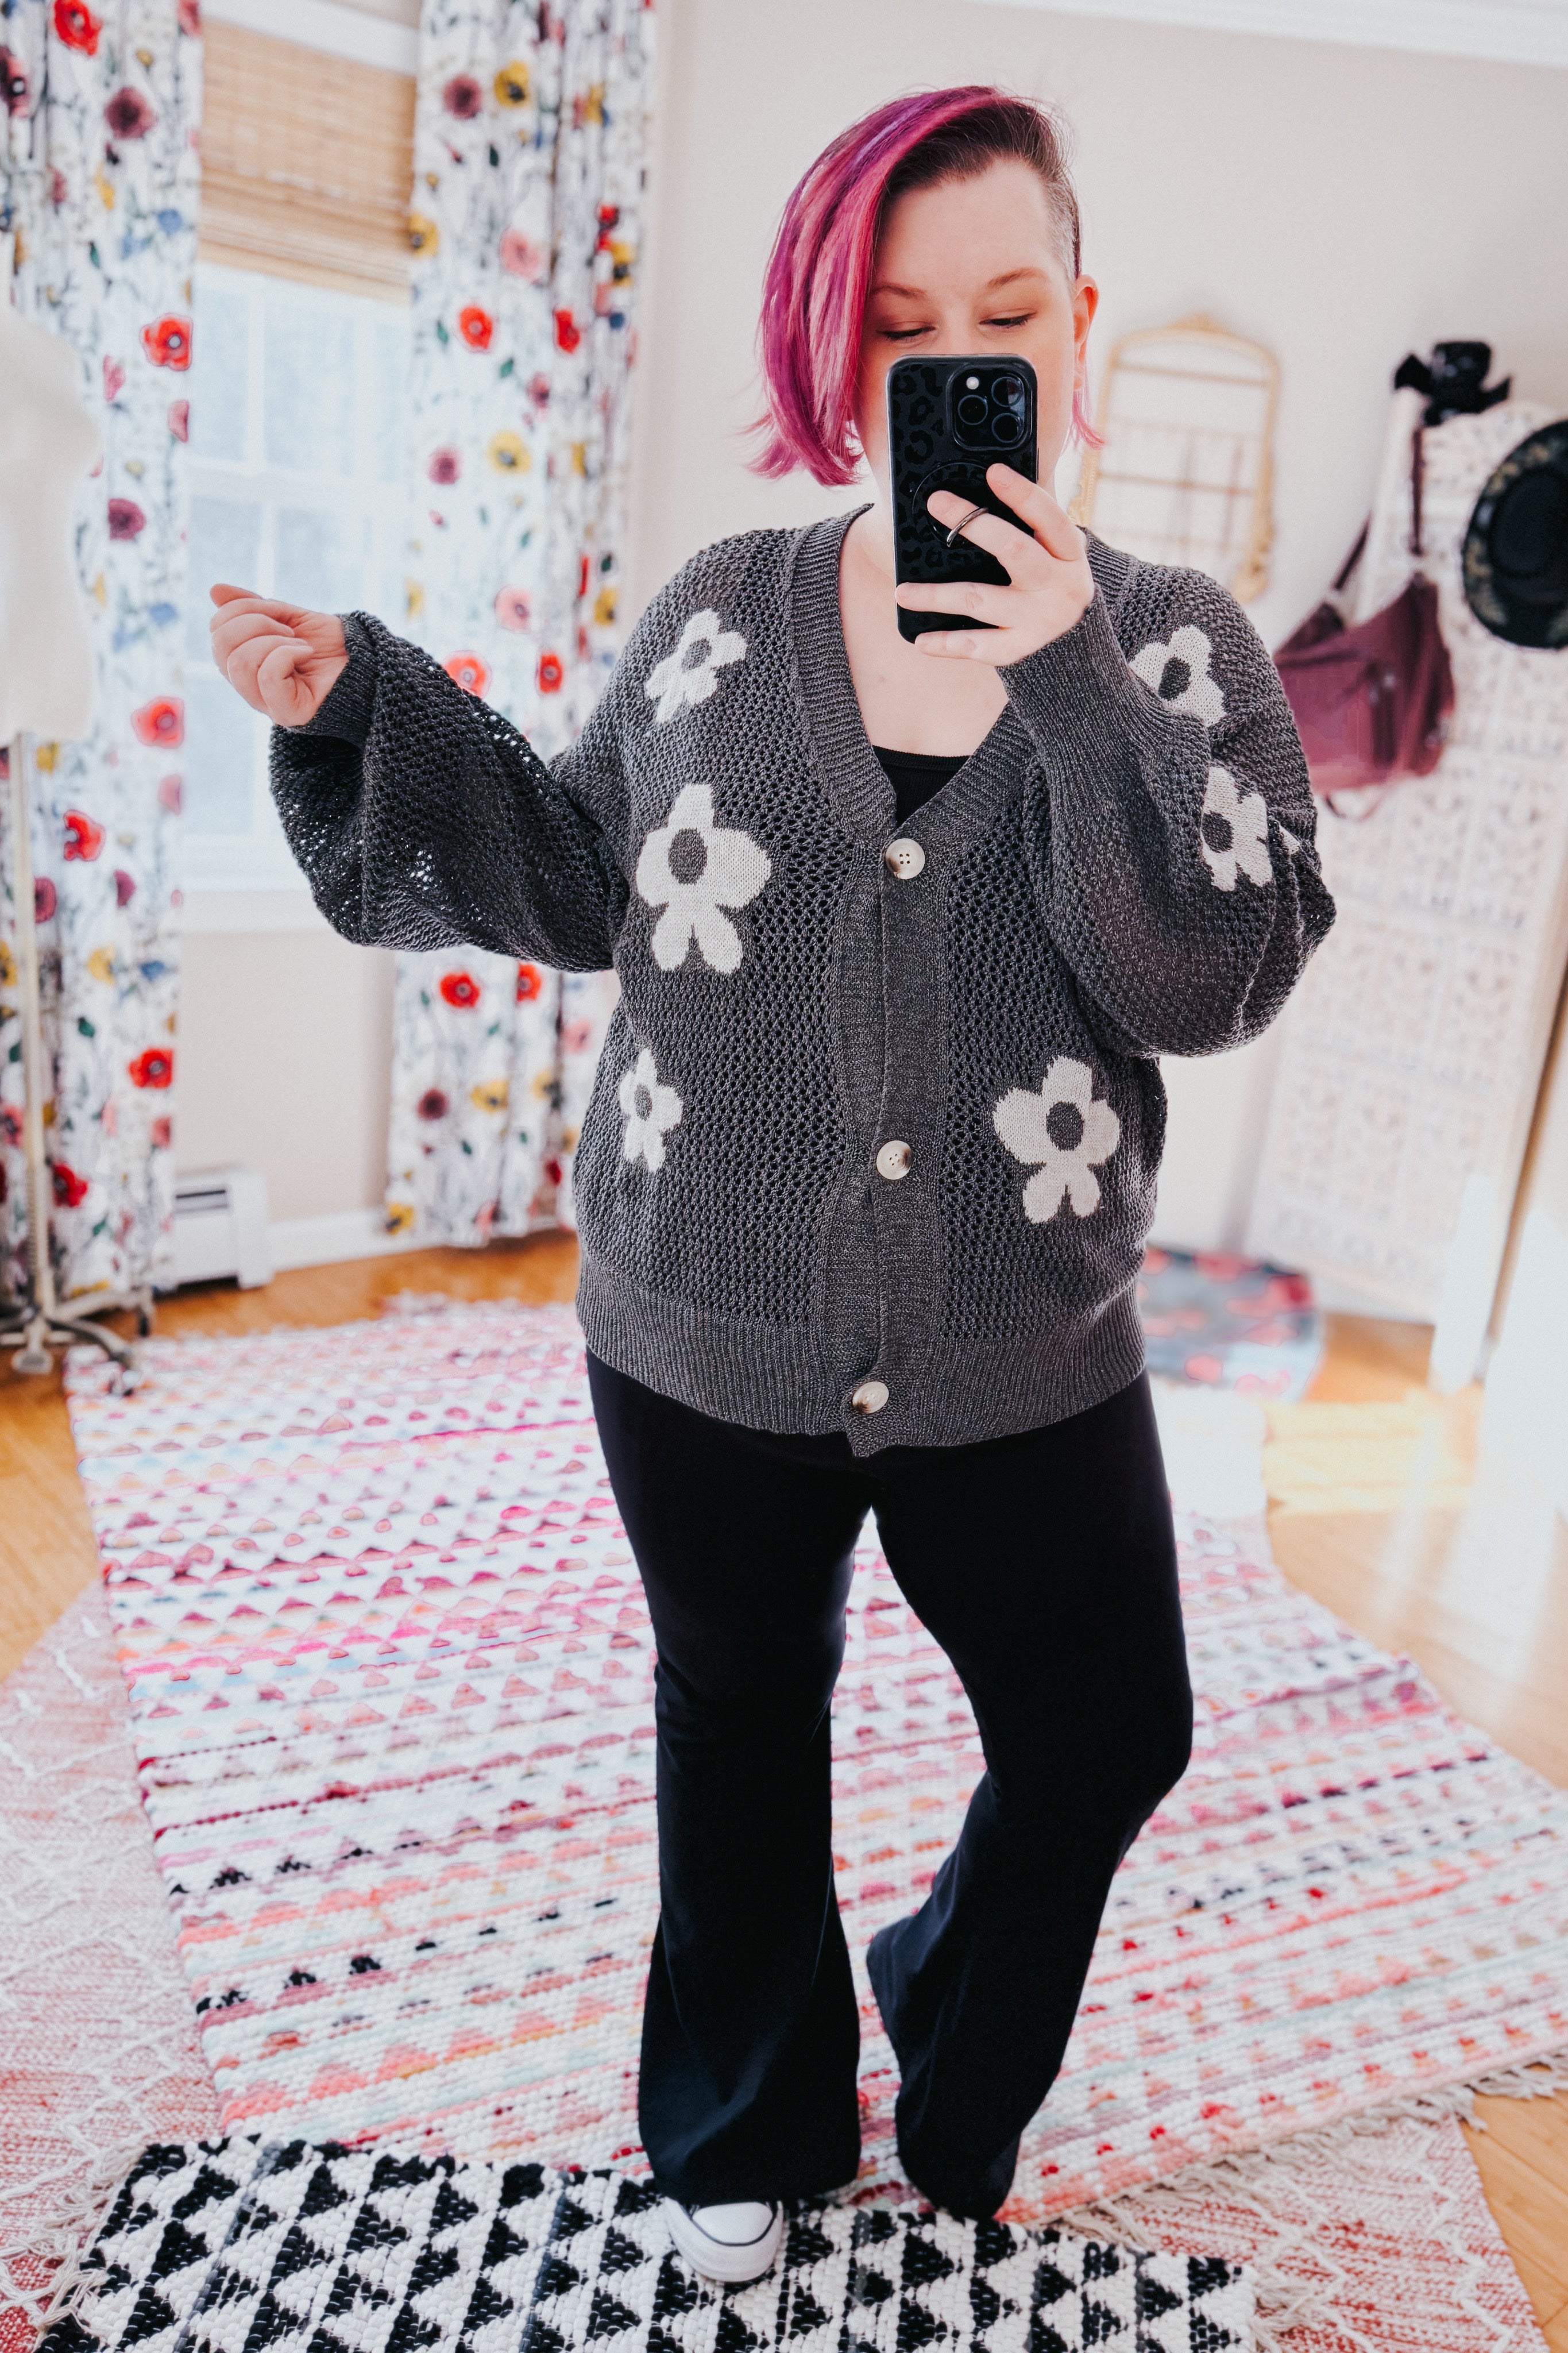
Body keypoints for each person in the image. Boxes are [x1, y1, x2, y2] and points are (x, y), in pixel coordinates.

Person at [209, 86, 1334, 2287]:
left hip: (1031, 1339)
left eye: (1003, 314)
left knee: (1110, 1728)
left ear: (1075, 326)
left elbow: (1217, 968)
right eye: (901, 325)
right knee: (738, 1726)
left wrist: (1065, 676)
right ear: (841, 346)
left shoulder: (1177, 643)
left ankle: (949, 2012)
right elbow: (564, 867)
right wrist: (374, 706)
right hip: (699, 1309)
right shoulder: (725, 612)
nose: (953, 367)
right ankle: (742, 2113)